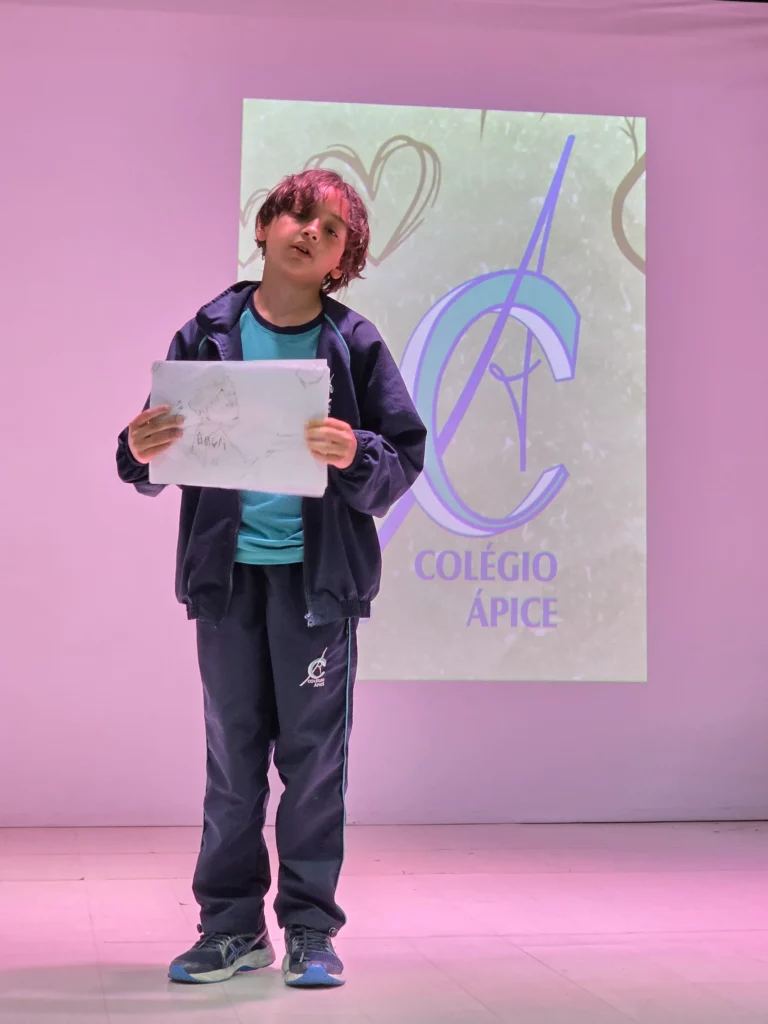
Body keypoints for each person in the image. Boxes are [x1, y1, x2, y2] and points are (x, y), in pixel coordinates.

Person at [116, 169, 427, 989]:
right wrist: (137, 449)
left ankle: (310, 930)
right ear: (264, 227)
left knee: (314, 764)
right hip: (225, 585)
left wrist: (356, 453)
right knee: (233, 761)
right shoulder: (208, 332)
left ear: (342, 260)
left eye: (331, 228)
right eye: (296, 214)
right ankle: (230, 929)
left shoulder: (355, 344)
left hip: (318, 589)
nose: (308, 231)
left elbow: (403, 457)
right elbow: (151, 449)